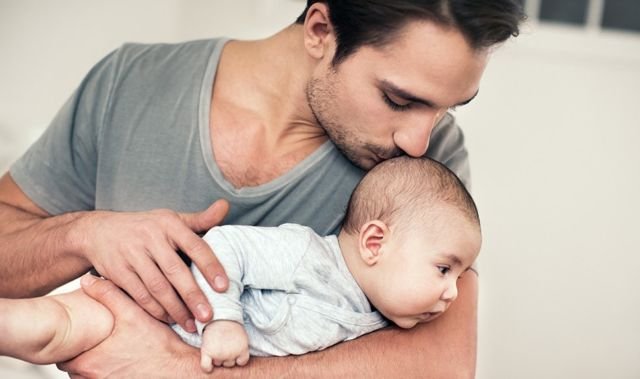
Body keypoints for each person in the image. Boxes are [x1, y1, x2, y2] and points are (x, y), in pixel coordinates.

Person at [0, 0, 524, 377]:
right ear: (320, 30)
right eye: (397, 100)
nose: (419, 139)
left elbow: (442, 366)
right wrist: (83, 234)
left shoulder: (431, 164)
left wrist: (182, 371)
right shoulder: (129, 82)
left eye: (448, 107)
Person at [0, 157, 481, 373]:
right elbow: (228, 246)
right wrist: (225, 322)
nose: (454, 293)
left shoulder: (376, 320)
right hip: (143, 311)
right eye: (444, 269)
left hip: (171, 350)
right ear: (374, 242)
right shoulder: (308, 257)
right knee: (49, 328)